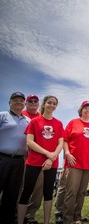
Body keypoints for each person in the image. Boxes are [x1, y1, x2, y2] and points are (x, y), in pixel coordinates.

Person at [18, 95, 64, 224]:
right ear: (44, 104)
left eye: (54, 103)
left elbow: (60, 143)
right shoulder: (34, 122)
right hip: (34, 161)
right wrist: (47, 153)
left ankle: (46, 221)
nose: (52, 105)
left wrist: (52, 157)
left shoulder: (58, 123)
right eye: (49, 102)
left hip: (52, 163)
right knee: (26, 191)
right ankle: (20, 221)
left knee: (48, 193)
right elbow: (29, 142)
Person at [62, 100, 89, 224]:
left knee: (81, 192)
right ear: (81, 110)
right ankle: (67, 219)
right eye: (85, 108)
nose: (88, 110)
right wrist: (67, 153)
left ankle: (77, 217)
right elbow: (65, 140)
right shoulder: (73, 123)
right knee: (71, 192)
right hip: (74, 162)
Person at [0, 92, 29, 224]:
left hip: (19, 161)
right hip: (2, 159)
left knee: (12, 193)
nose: (18, 102)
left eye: (21, 101)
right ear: (10, 102)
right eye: (15, 100)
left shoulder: (28, 121)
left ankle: (7, 219)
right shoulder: (2, 115)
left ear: (24, 104)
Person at [21, 95, 42, 224]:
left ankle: (29, 215)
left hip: (38, 155)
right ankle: (16, 212)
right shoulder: (21, 114)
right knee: (21, 185)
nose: (33, 103)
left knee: (38, 188)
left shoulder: (41, 117)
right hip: (22, 154)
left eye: (35, 101)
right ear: (26, 103)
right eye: (30, 101)